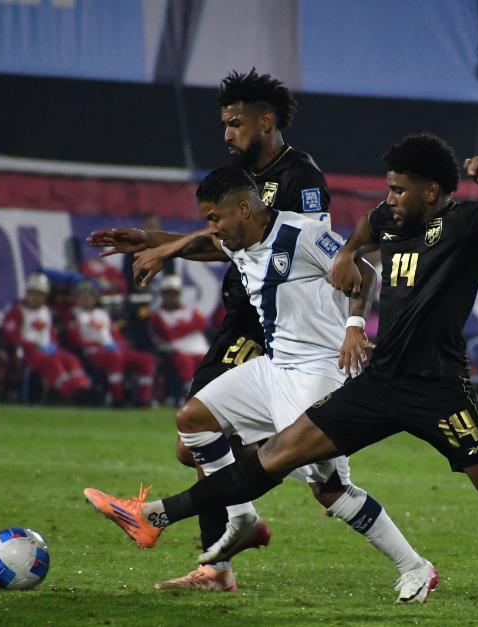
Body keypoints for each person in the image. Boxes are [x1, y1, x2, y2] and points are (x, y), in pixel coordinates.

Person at [84, 134, 478, 599]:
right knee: (271, 454)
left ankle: (412, 563)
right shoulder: (387, 218)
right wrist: (347, 258)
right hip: (379, 383)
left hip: (439, 390)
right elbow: (362, 229)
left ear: (432, 192)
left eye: (399, 189)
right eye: (389, 187)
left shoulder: (465, 223)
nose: (389, 198)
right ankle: (154, 516)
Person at [87, 69, 330, 590]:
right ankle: (269, 485)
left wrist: (169, 245)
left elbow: (280, 247)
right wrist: (150, 238)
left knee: (199, 435)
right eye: (224, 124)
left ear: (266, 121)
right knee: (193, 443)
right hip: (238, 320)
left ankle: (233, 536)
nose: (227, 134)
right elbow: (226, 242)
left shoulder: (300, 180)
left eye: (236, 123)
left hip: (271, 328)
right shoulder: (241, 181)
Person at [2, 273, 94, 403]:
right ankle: (72, 394)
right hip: (29, 351)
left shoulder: (47, 312)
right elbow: (11, 336)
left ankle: (82, 388)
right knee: (53, 363)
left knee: (70, 359)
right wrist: (31, 345)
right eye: (33, 294)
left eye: (40, 295)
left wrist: (52, 346)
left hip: (49, 350)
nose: (36, 298)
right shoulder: (16, 311)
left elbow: (52, 335)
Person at [67, 280, 156, 406]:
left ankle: (143, 400)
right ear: (76, 298)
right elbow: (75, 339)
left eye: (90, 295)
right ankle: (117, 399)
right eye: (82, 296)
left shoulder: (102, 314)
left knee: (146, 360)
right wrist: (100, 346)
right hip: (93, 352)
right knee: (115, 358)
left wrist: (119, 345)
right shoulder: (74, 315)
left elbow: (115, 334)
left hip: (113, 349)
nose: (87, 299)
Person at [148, 275, 209, 399]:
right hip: (171, 350)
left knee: (207, 361)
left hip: (197, 347)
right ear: (162, 295)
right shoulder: (157, 315)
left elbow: (202, 324)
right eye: (168, 293)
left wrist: (178, 328)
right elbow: (168, 335)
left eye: (174, 294)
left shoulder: (190, 310)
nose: (171, 297)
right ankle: (190, 392)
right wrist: (189, 326)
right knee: (183, 360)